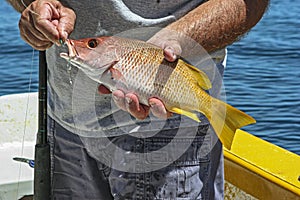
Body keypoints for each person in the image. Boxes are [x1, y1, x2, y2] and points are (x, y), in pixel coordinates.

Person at [8, 0, 269, 199]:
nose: (82, 45)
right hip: (65, 120)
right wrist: (34, 8)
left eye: (91, 45)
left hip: (171, 130)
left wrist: (176, 41)